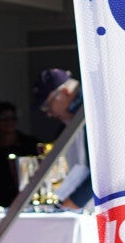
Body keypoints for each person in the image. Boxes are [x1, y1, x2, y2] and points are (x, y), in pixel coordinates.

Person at [35, 69, 90, 209]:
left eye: (48, 106)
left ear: (66, 92)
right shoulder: (64, 129)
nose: (49, 114)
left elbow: (103, 172)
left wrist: (71, 205)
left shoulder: (95, 118)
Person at [0, 101, 37, 206]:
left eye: (13, 118)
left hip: (28, 198)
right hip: (0, 200)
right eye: (4, 118)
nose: (9, 122)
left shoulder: (31, 144)